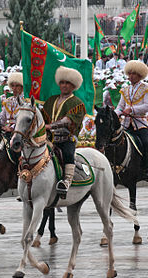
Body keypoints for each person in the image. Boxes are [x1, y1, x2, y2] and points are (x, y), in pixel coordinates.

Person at [42, 66, 86, 197]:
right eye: (62, 82)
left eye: (67, 83)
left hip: (66, 138)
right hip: (48, 139)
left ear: (73, 86)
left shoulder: (77, 103)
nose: (64, 85)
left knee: (67, 153)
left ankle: (66, 180)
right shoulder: (51, 100)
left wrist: (51, 126)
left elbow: (68, 120)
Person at [115, 60, 148, 181]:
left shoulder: (147, 88)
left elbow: (147, 106)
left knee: (146, 144)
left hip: (140, 124)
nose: (131, 76)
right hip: (126, 124)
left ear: (140, 75)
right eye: (129, 73)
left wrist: (131, 110)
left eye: (134, 74)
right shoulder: (125, 89)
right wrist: (115, 114)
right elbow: (120, 106)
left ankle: (147, 170)